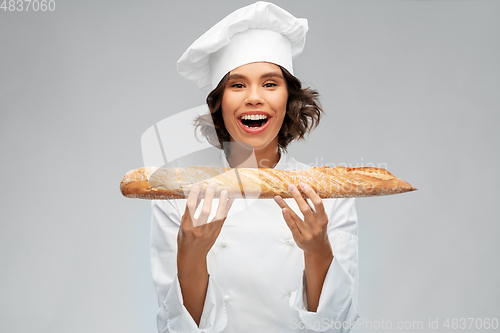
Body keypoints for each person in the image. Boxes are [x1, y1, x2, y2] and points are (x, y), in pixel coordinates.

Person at [150, 2, 359, 332]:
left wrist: (318, 250)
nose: (254, 98)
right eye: (237, 85)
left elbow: (338, 326)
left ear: (288, 99)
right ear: (219, 104)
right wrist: (191, 253)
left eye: (270, 83)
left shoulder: (328, 196)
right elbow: (174, 327)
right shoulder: (178, 197)